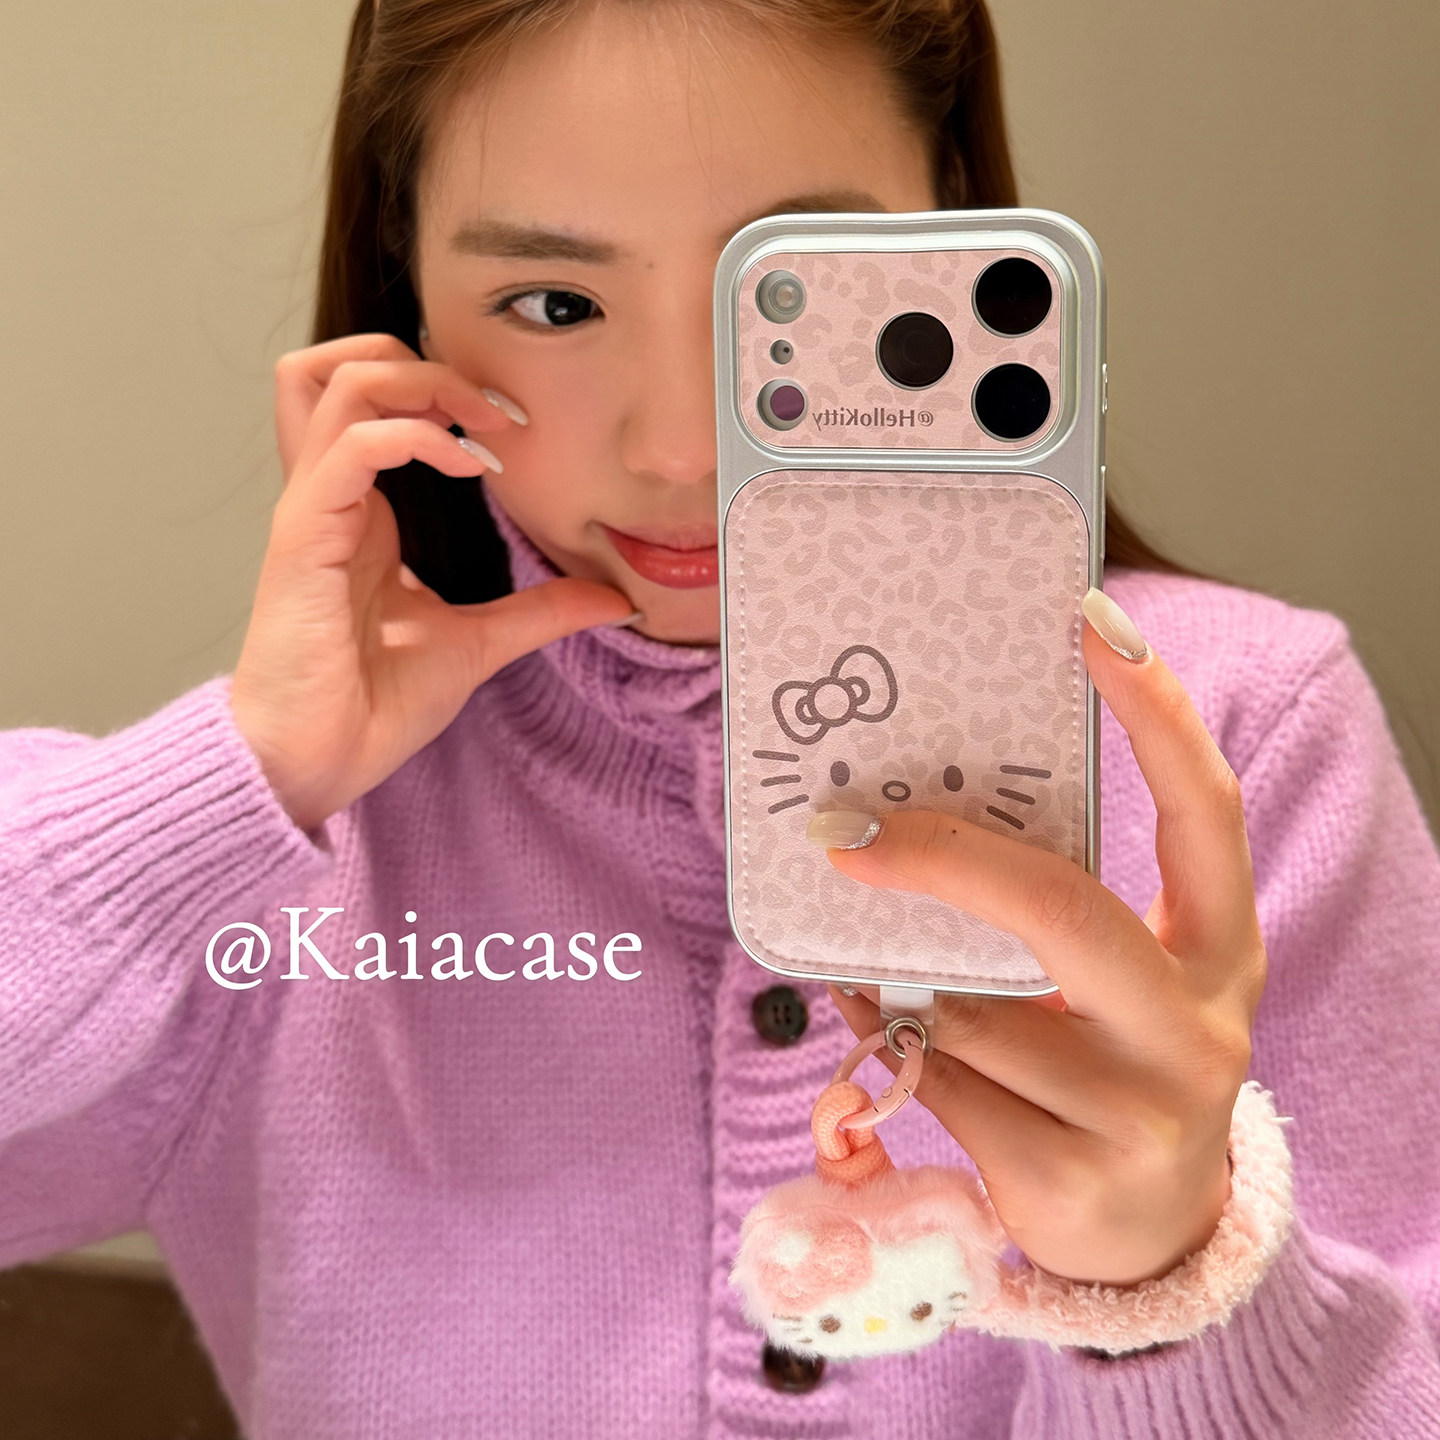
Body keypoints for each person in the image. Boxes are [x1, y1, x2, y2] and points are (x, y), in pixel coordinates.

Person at [2, 0, 1438, 1434]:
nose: (686, 447)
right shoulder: (275, 842)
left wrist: (1177, 1293)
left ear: (951, 218)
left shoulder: (1248, 733)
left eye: (783, 292)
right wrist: (224, 787)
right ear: (407, 299)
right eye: (554, 305)